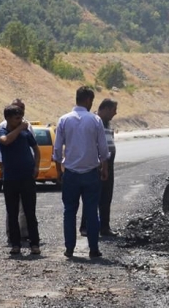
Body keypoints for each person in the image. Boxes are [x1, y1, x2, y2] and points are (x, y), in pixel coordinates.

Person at [53, 86, 109, 259]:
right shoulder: (95, 120)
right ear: (87, 100)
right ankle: (93, 249)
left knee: (69, 211)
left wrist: (58, 172)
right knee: (92, 211)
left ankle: (70, 249)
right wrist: (104, 168)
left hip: (70, 172)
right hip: (91, 173)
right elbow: (103, 147)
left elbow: (56, 150)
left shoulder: (63, 120)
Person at [0, 104, 41, 255]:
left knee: (30, 213)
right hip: (10, 179)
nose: (21, 121)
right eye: (17, 118)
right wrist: (20, 128)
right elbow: (5, 141)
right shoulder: (1, 131)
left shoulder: (25, 132)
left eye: (21, 118)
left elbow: (36, 148)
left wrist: (36, 167)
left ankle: (35, 244)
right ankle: (15, 244)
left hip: (27, 177)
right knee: (12, 212)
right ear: (8, 118)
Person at [81, 98, 118, 237]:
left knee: (106, 197)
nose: (115, 113)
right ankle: (85, 227)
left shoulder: (107, 124)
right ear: (106, 109)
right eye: (114, 110)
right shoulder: (95, 122)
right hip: (97, 165)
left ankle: (104, 227)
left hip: (109, 164)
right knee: (92, 198)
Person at [0, 98, 29, 240]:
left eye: (22, 109)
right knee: (12, 207)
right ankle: (12, 234)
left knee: (26, 206)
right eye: (17, 108)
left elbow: (32, 146)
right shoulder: (2, 127)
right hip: (10, 172)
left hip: (25, 171)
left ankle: (25, 233)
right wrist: (3, 169)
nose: (20, 111)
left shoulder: (26, 125)